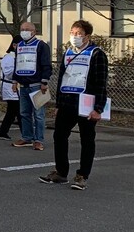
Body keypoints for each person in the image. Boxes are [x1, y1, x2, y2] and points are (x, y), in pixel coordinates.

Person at [40, 19, 109, 190]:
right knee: (59, 136)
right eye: (72, 33)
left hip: (86, 104)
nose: (74, 36)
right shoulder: (69, 53)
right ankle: (61, 172)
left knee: (87, 139)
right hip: (67, 102)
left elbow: (101, 82)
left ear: (87, 36)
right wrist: (58, 104)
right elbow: (62, 79)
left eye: (78, 34)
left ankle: (82, 175)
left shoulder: (96, 54)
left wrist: (98, 108)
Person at [11, 20, 52, 151]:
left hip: (37, 85)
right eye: (22, 29)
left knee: (39, 115)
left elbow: (46, 64)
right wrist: (14, 81)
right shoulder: (19, 46)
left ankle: (38, 140)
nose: (24, 32)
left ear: (34, 31)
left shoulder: (41, 45)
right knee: (24, 113)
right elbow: (17, 64)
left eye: (27, 29)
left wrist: (44, 82)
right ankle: (27, 137)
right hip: (23, 85)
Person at [0, 40, 21, 139]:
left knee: (13, 111)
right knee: (17, 110)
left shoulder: (18, 57)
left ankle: (2, 132)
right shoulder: (8, 57)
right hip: (9, 86)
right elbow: (9, 73)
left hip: (15, 87)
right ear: (14, 45)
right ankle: (26, 134)